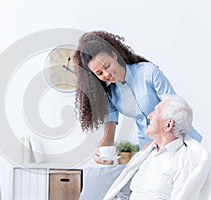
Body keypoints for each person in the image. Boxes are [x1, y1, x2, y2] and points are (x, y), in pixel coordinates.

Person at [73, 30, 202, 163]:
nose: (106, 74)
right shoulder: (111, 94)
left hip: (180, 141)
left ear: (114, 55)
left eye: (107, 66)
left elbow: (175, 108)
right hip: (149, 149)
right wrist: (101, 153)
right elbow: (109, 136)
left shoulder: (148, 72)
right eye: (99, 73)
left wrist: (162, 143)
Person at [103, 95, 211, 200]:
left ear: (168, 125)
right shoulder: (146, 155)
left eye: (156, 112)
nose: (149, 116)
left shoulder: (183, 162)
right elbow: (123, 193)